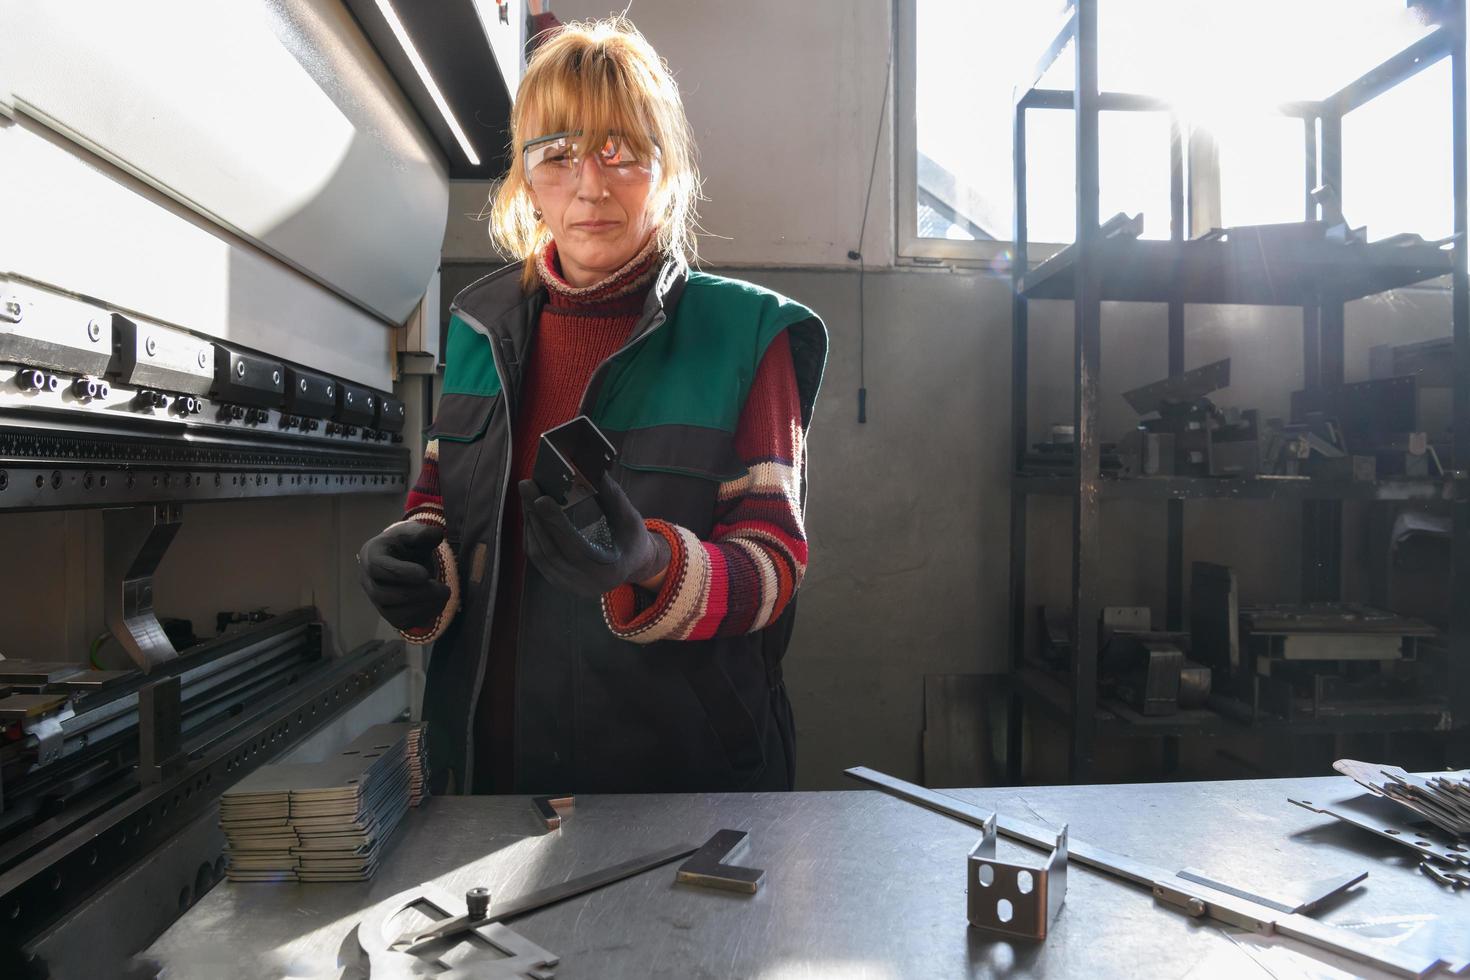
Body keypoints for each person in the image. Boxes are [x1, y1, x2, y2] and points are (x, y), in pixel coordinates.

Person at [357, 15, 827, 796]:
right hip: (482, 782)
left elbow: (774, 563)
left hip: (677, 789)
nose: (590, 185)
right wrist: (413, 569)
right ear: (527, 180)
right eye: (559, 155)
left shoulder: (747, 335)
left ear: (666, 168)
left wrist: (652, 564)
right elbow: (440, 511)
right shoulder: (478, 328)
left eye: (620, 151)